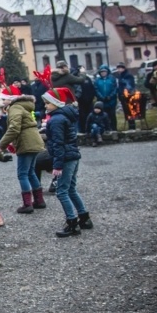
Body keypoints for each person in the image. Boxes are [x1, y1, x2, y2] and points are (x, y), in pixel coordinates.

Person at [42, 87, 93, 237]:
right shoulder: (65, 115)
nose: (45, 106)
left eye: (47, 103)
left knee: (62, 191)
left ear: (56, 103)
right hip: (73, 155)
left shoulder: (56, 119)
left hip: (65, 158)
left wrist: (57, 165)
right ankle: (84, 218)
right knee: (71, 188)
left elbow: (58, 143)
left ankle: (72, 223)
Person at [0, 83, 47, 213]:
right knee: (30, 172)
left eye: (3, 99)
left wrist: (1, 145)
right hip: (34, 141)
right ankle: (39, 200)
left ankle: (27, 204)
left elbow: (14, 128)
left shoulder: (14, 108)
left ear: (11, 98)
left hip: (26, 143)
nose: (2, 102)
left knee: (22, 174)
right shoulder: (22, 106)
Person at [93, 65, 118, 131]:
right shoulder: (97, 80)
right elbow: (96, 90)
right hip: (102, 102)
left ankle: (114, 128)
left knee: (112, 115)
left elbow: (115, 89)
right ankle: (105, 129)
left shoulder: (112, 79)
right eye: (102, 72)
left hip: (111, 101)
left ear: (107, 72)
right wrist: (101, 97)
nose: (103, 73)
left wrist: (110, 96)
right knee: (103, 116)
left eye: (104, 71)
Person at [114, 63, 137, 130]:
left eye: (120, 68)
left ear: (123, 68)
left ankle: (132, 126)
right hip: (122, 96)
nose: (118, 70)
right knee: (127, 111)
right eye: (118, 68)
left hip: (128, 96)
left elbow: (129, 86)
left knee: (130, 111)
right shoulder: (120, 76)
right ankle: (130, 125)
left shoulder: (127, 76)